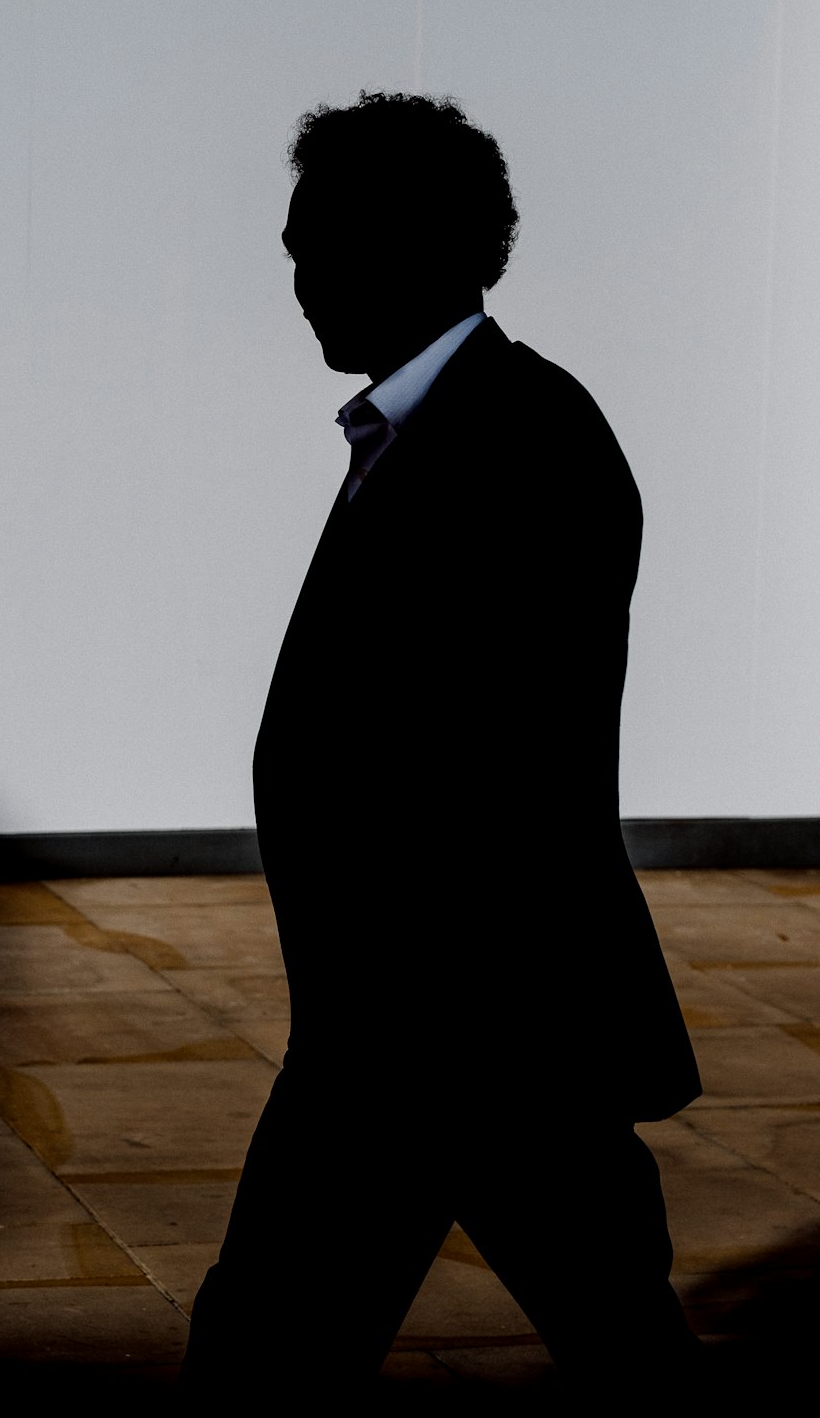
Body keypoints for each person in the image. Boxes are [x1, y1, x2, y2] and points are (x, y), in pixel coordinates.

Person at [179, 91, 703, 1401]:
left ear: (406, 246)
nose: (296, 281)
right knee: (612, 1342)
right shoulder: (429, 429)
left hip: (457, 1030)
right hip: (434, 1033)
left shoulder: (523, 439)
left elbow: (499, 767)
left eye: (315, 247)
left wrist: (384, 1021)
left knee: (264, 1359)